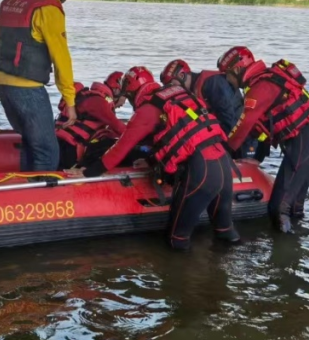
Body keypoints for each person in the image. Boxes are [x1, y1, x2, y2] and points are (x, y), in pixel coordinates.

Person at [82, 66, 239, 251]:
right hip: (224, 163)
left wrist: (88, 172)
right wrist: (150, 160)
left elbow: (120, 149)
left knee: (177, 239)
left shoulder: (147, 110)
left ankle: (182, 278)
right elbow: (182, 132)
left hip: (202, 171)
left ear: (132, 94)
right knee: (226, 231)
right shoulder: (180, 94)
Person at [0, 0, 82, 172]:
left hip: (4, 85)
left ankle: (24, 194)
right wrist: (70, 102)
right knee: (48, 151)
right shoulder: (49, 9)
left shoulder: (10, 2)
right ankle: (44, 199)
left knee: (30, 143)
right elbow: (61, 58)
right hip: (27, 89)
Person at [220, 46, 309, 234]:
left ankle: (281, 260)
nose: (230, 83)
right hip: (308, 147)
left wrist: (222, 152)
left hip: (300, 149)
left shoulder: (260, 88)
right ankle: (297, 253)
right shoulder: (268, 80)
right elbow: (266, 130)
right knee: (294, 208)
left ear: (236, 70)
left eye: (228, 77)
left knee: (279, 209)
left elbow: (244, 126)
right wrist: (258, 159)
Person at [160, 58, 244, 135]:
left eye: (172, 85)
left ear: (182, 76)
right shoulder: (191, 93)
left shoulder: (213, 83)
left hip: (239, 134)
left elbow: (228, 119)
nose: (172, 89)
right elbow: (196, 117)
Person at [55, 79, 127, 169]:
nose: (124, 103)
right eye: (126, 96)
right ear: (117, 91)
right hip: (69, 148)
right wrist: (141, 139)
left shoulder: (89, 96)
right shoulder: (98, 102)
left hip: (59, 141)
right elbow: (119, 127)